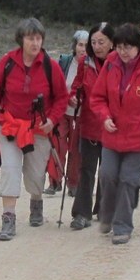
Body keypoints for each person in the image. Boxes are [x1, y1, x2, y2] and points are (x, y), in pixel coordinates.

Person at [0, 18, 69, 241]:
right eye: (31, 38)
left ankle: (36, 200)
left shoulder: (51, 66)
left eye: (38, 38)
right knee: (10, 168)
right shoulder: (7, 63)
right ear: (21, 39)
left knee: (35, 174)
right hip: (10, 126)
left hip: (39, 129)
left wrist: (52, 119)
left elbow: (61, 98)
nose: (35, 42)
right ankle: (8, 218)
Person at [90, 23, 140, 244]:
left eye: (128, 47)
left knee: (128, 179)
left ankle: (123, 225)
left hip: (139, 140)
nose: (123, 52)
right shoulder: (110, 64)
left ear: (139, 47)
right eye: (119, 47)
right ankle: (106, 216)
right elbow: (97, 98)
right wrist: (104, 116)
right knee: (107, 175)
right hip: (112, 137)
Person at [67, 22, 116, 231]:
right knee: (86, 169)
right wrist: (73, 98)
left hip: (112, 126)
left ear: (112, 43)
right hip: (88, 124)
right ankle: (81, 213)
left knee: (108, 171)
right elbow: (77, 86)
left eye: (101, 42)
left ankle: (105, 210)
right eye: (93, 42)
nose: (97, 46)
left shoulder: (119, 63)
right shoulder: (85, 63)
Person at [44, 30, 90, 196]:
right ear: (74, 45)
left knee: (76, 150)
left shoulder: (91, 65)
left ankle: (74, 184)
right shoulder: (65, 62)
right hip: (62, 112)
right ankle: (55, 182)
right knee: (58, 145)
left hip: (81, 113)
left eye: (86, 45)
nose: (83, 49)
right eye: (80, 45)